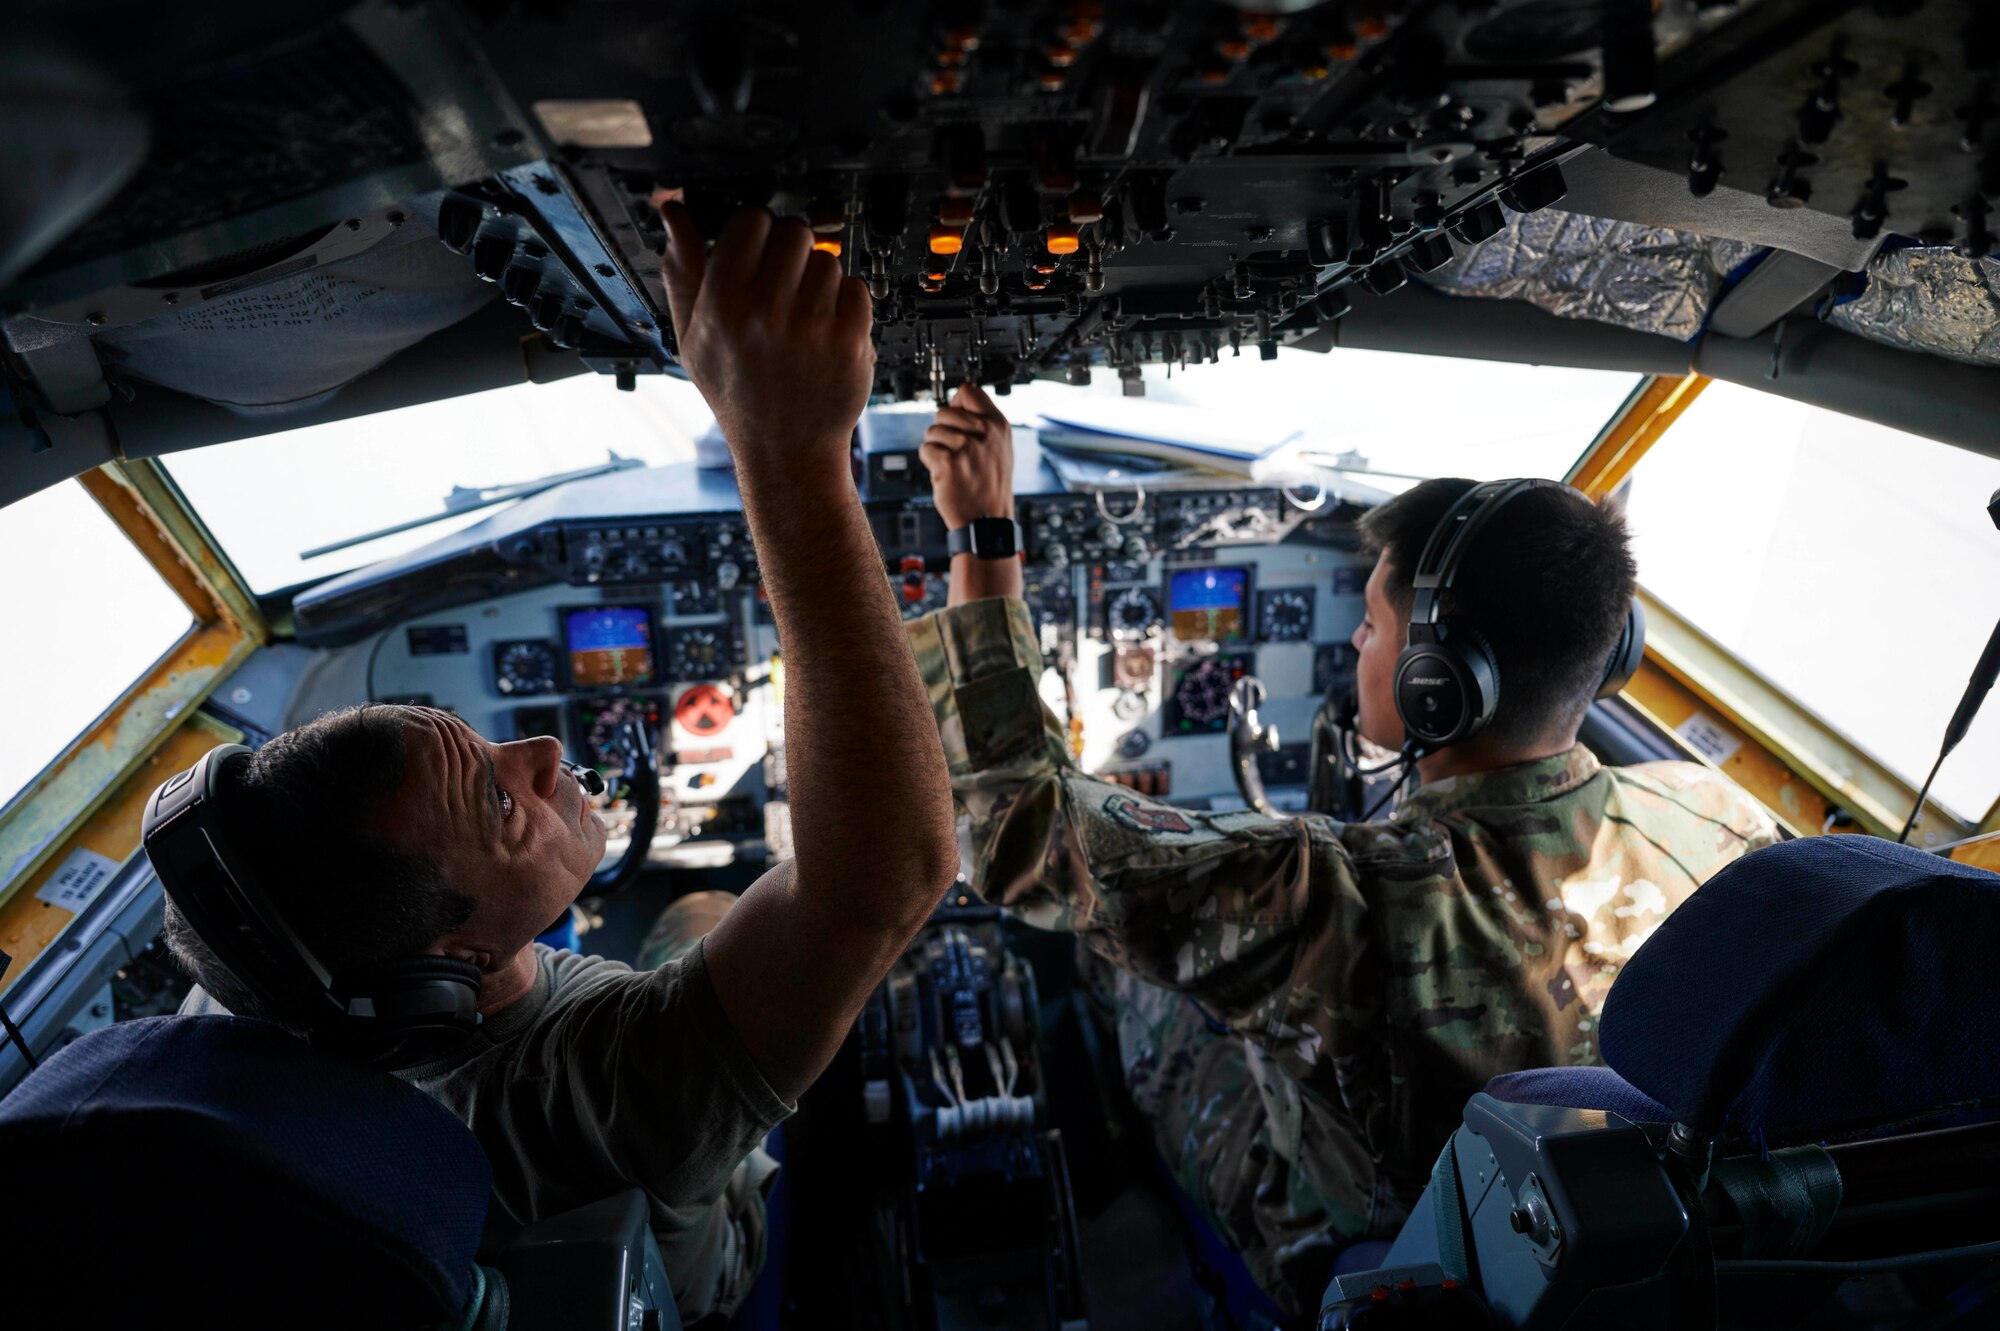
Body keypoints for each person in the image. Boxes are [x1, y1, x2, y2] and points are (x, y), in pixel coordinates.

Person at [168, 206, 959, 1322]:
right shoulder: (593, 1086)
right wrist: (786, 449)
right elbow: (882, 879)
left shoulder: (281, 975)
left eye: (480, 735)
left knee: (693, 909)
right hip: (695, 1255)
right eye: (498, 800)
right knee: (718, 927)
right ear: (449, 956)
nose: (541, 749)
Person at [910, 381, 1781, 1317]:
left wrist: (982, 532)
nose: (1355, 642)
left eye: (1370, 625)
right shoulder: (1728, 822)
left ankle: (1122, 1184)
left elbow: (1014, 831)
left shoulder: (1340, 894)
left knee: (1128, 973)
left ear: (1437, 682)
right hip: (1647, 1256)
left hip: (1371, 1249)